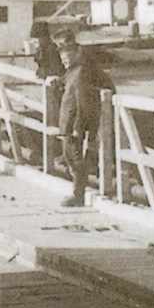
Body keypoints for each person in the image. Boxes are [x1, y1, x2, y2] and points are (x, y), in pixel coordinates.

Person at [56, 28, 115, 207]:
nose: (63, 61)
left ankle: (78, 194)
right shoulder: (72, 70)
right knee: (69, 157)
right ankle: (78, 190)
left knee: (74, 158)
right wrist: (56, 81)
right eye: (62, 58)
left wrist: (78, 127)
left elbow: (82, 102)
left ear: (75, 54)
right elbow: (66, 84)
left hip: (73, 122)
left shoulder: (81, 72)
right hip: (67, 121)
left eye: (66, 57)